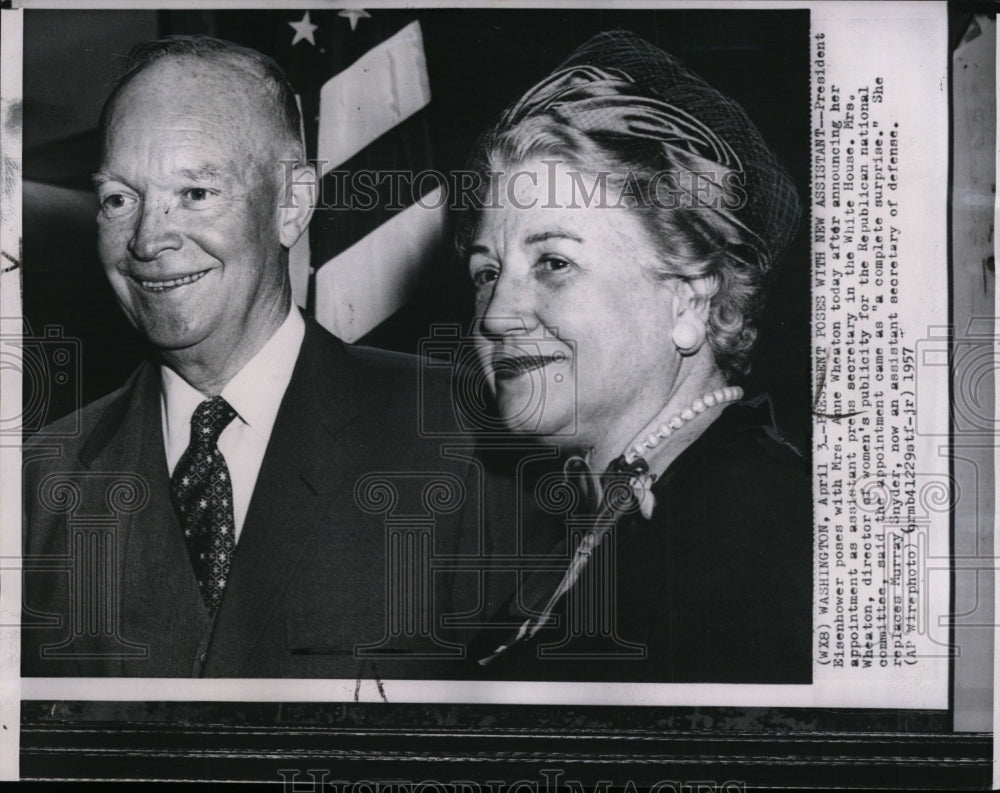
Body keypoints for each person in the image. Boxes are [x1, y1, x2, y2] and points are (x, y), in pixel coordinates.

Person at [22, 36, 476, 678]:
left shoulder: (464, 439)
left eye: (197, 192)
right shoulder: (35, 486)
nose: (148, 239)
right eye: (119, 199)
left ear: (291, 205)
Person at [459, 31, 811, 683]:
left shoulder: (757, 529)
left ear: (688, 304)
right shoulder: (606, 519)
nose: (496, 314)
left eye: (553, 263)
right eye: (486, 271)